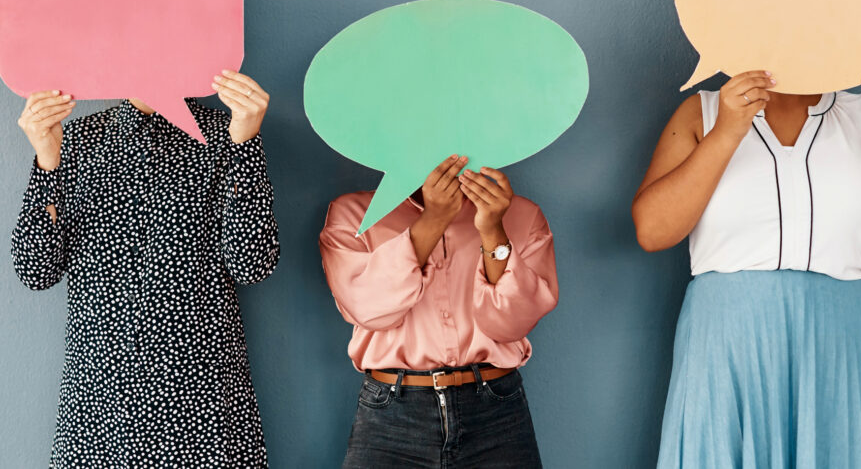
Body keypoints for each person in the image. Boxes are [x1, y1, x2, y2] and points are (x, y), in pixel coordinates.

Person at [633, 66, 861, 468]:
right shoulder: (702, 111)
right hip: (732, 344)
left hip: (849, 343)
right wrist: (727, 132)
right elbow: (652, 232)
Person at [12, 70, 280, 468]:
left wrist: (245, 144)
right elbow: (36, 271)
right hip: (101, 406)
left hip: (200, 400)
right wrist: (47, 162)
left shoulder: (228, 134)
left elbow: (252, 263)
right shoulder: (76, 140)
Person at [319, 155, 558, 468]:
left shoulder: (523, 215)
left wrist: (493, 231)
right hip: (393, 414)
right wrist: (433, 221)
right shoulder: (354, 216)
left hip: (496, 413)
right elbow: (370, 309)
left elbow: (511, 324)